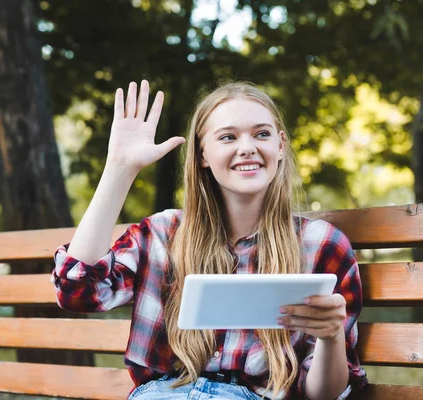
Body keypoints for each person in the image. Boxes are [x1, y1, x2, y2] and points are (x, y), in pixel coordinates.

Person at [52, 80, 368, 399]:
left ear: (281, 146)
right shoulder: (163, 233)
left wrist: (330, 338)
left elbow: (324, 395)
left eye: (261, 134)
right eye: (228, 137)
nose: (247, 147)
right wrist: (120, 169)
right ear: (203, 153)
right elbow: (78, 292)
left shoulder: (321, 245)